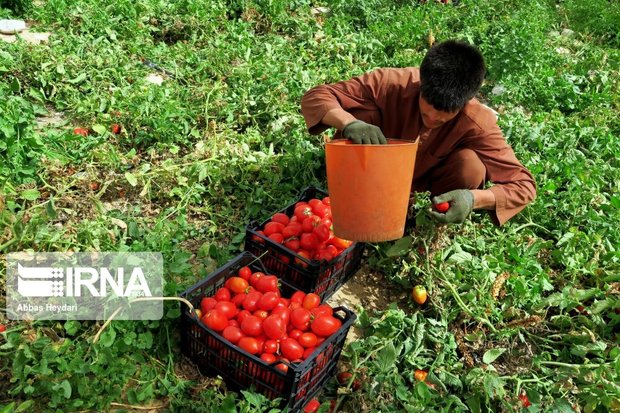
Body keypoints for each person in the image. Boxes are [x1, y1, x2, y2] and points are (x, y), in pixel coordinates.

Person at [301, 40, 536, 226]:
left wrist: (473, 199)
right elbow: (317, 96)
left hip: (423, 191)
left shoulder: (477, 122)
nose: (433, 118)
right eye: (427, 105)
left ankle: (423, 218)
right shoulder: (391, 83)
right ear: (421, 82)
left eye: (446, 113)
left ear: (466, 101)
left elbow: (524, 186)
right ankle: (354, 196)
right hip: (368, 174)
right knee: (359, 111)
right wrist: (350, 123)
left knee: (471, 166)